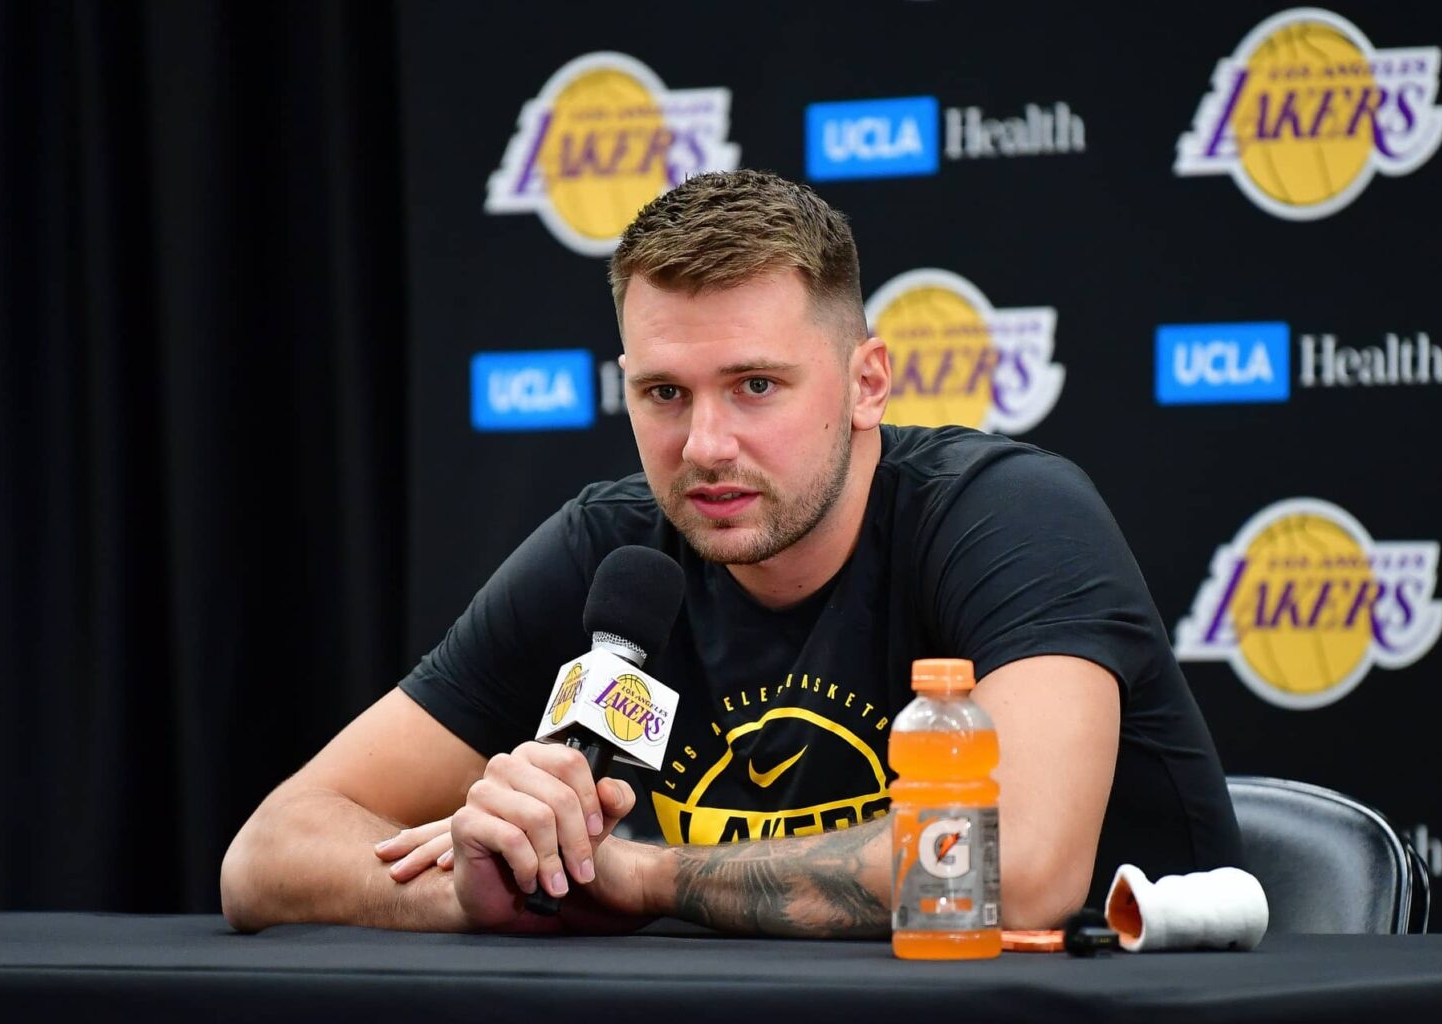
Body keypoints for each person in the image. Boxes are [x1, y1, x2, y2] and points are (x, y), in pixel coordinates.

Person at [220, 169, 1242, 937]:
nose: (704, 445)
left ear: (867, 381)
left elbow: (1008, 872)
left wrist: (640, 875)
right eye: (664, 394)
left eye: (756, 385)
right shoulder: (613, 547)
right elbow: (267, 850)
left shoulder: (1007, 516)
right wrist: (497, 888)